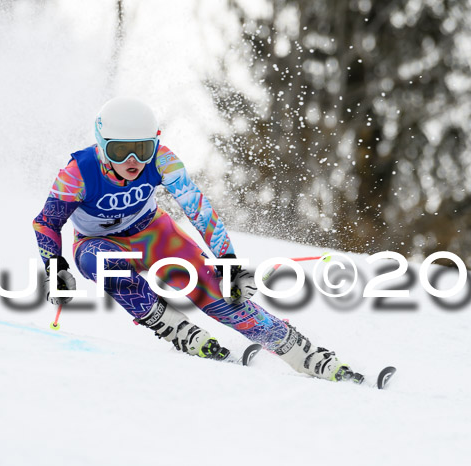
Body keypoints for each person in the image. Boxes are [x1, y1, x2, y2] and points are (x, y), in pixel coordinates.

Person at [33, 96, 359, 382]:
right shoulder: (77, 173)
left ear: (155, 144)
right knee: (103, 264)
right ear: (101, 145)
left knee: (218, 295)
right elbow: (47, 222)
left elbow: (198, 210)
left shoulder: (162, 159)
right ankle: (177, 329)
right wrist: (55, 268)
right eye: (120, 151)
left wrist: (227, 261)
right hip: (98, 242)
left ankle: (303, 354)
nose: (132, 161)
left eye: (142, 149)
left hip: (153, 234)